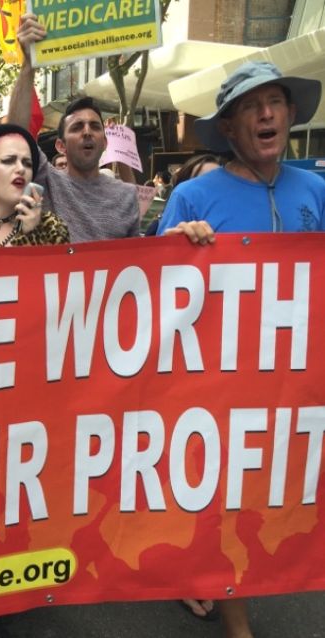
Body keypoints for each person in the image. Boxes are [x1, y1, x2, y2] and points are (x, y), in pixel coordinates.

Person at [157, 60, 325, 638]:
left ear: (292, 115)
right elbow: (153, 283)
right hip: (223, 383)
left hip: (300, 378)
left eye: (275, 102)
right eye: (251, 107)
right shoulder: (193, 195)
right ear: (229, 128)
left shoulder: (317, 191)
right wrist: (181, 243)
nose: (267, 113)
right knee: (228, 496)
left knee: (290, 490)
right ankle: (237, 621)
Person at [7, 15, 140, 243]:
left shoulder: (127, 196)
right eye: (77, 127)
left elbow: (136, 261)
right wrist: (28, 64)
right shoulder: (46, 181)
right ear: (61, 145)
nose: (87, 131)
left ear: (105, 142)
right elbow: (15, 136)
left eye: (95, 126)